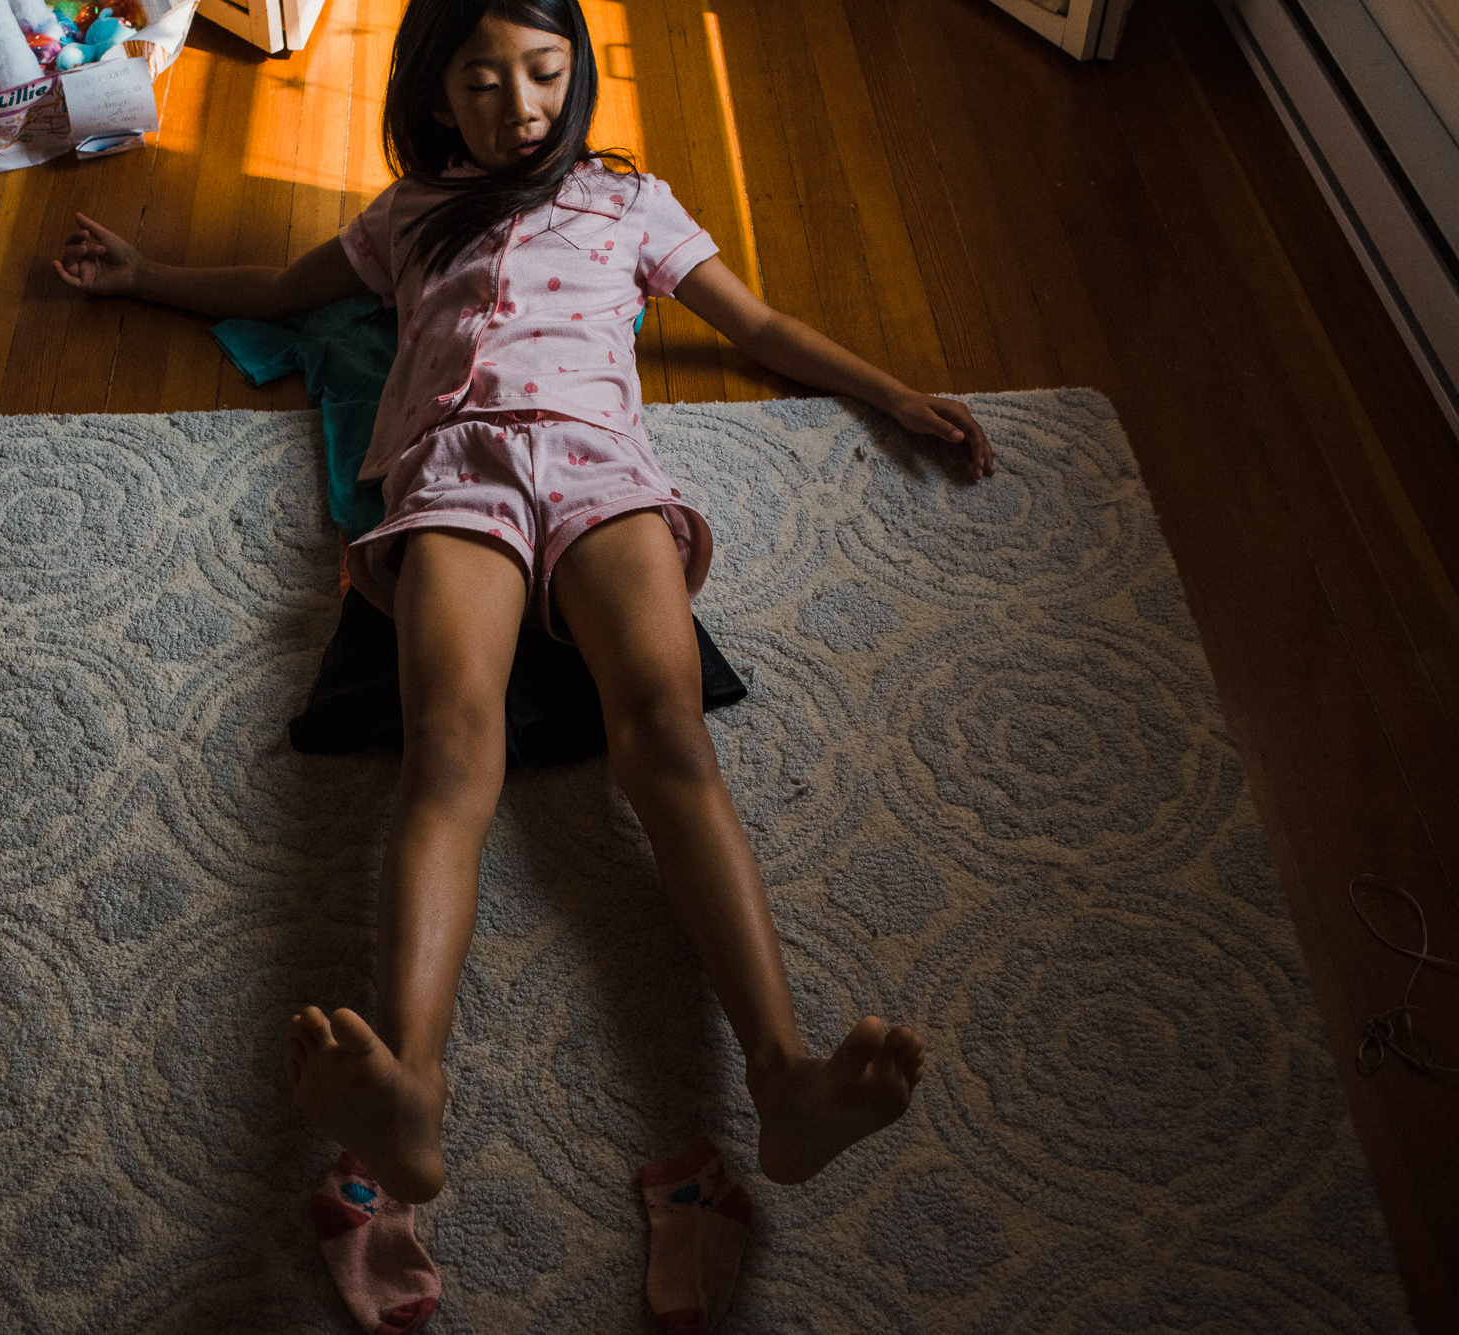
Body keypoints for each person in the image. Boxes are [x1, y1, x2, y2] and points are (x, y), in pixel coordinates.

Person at [59, 0, 989, 1269]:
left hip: (606, 475)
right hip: (453, 472)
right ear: (438, 98)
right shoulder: (406, 216)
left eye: (544, 73)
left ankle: (783, 1080)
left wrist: (894, 396)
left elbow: (756, 327)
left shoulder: (628, 201)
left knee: (664, 733)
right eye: (483, 83)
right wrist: (144, 276)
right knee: (447, 749)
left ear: (577, 71)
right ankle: (409, 1090)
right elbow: (283, 293)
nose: (521, 105)